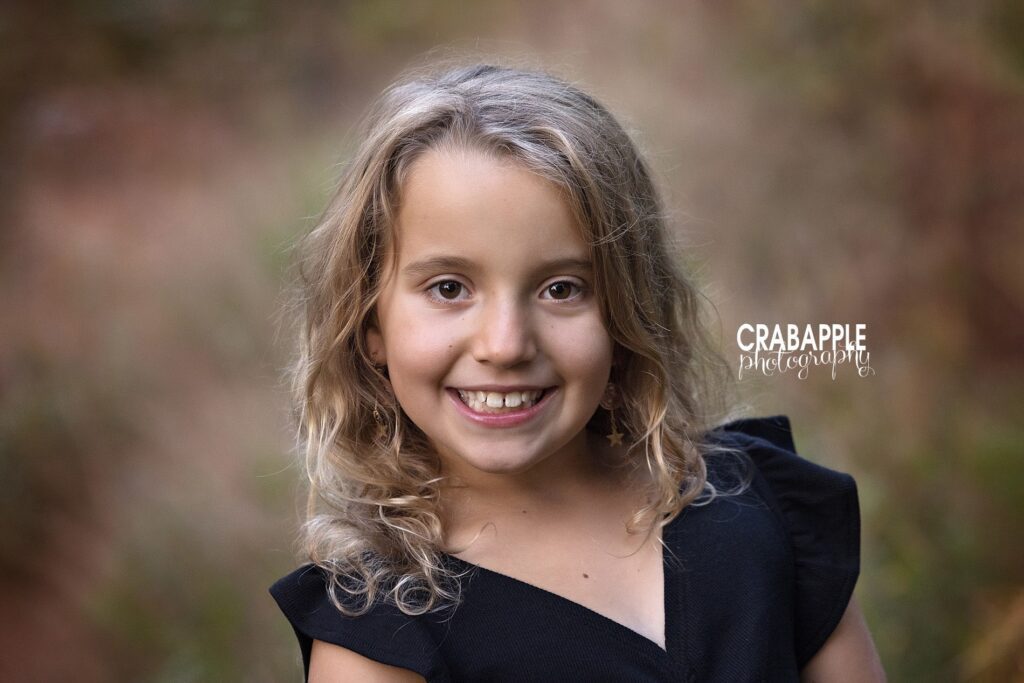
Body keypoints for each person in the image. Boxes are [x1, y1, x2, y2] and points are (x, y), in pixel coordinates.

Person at [269, 63, 885, 682]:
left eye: (562, 288)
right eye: (449, 287)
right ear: (370, 325)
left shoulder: (756, 505)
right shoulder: (379, 639)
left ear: (626, 313)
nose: (505, 345)